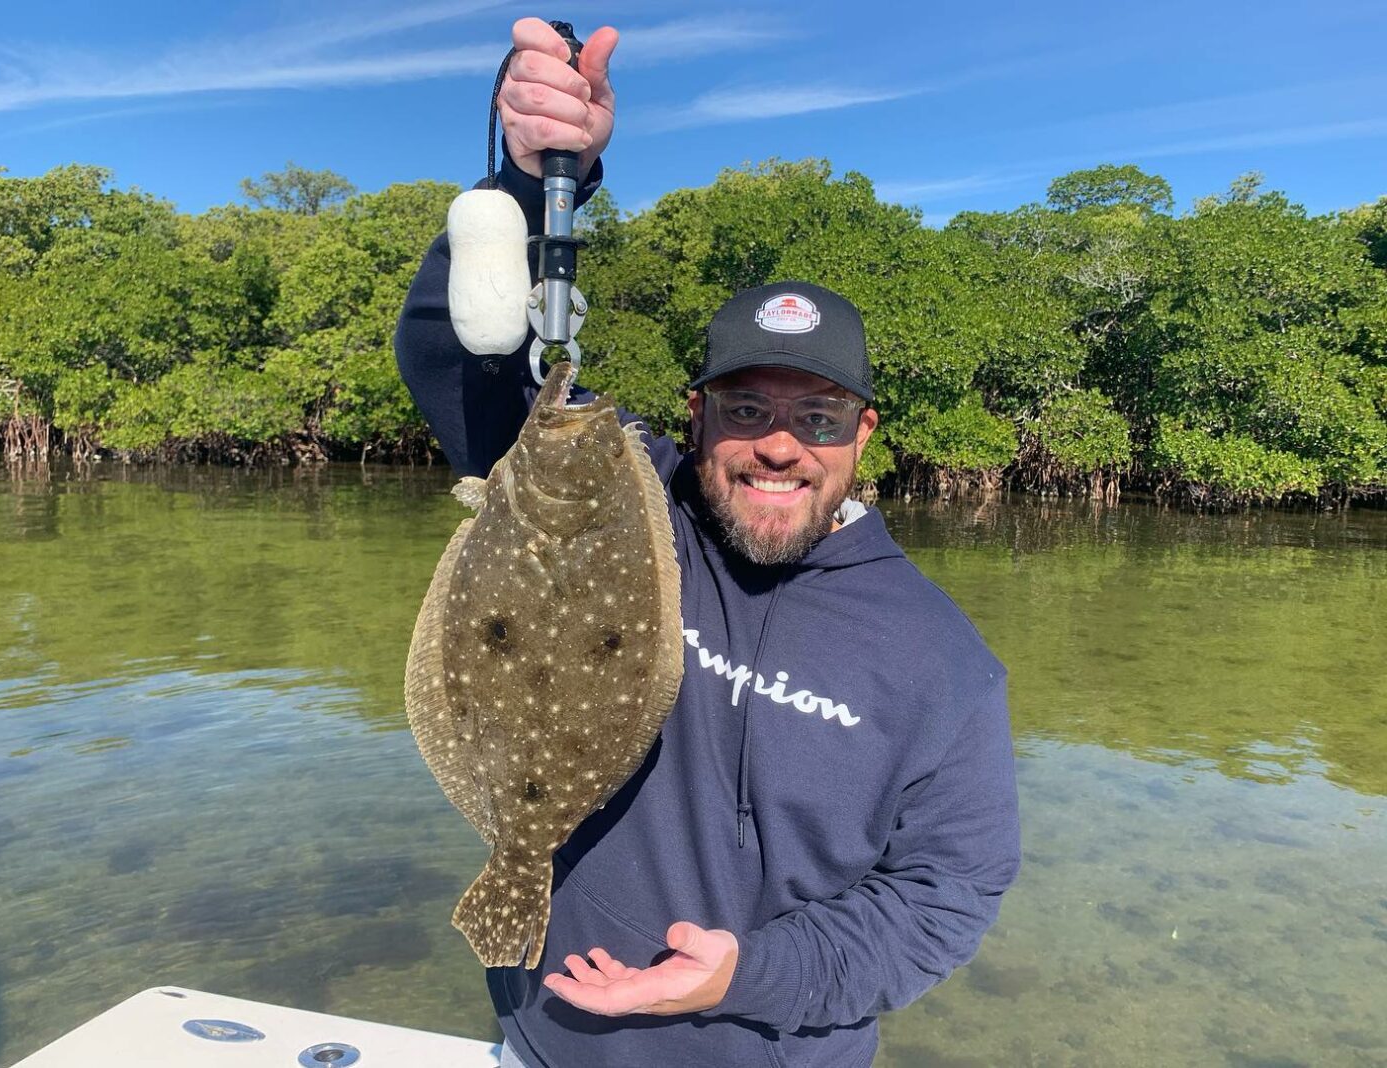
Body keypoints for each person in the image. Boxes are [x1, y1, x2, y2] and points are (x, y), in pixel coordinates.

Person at [395, 18, 1020, 1068]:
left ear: (863, 434)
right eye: (745, 411)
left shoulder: (940, 663)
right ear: (695, 418)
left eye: (816, 419)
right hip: (543, 1043)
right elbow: (457, 357)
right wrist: (528, 178)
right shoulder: (615, 491)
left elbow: (942, 899)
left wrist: (747, 972)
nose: (777, 445)